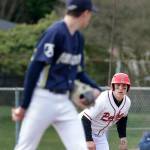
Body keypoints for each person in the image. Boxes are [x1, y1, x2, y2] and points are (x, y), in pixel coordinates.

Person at [11, 0, 102, 149]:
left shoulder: (78, 39)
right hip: (42, 99)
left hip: (64, 101)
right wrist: (24, 105)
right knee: (25, 147)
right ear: (85, 13)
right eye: (90, 13)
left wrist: (97, 88)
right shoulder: (55, 33)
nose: (90, 17)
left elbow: (79, 72)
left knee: (80, 146)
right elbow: (33, 71)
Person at [80, 72, 131, 150]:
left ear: (128, 88)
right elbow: (85, 118)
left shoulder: (127, 102)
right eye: (118, 85)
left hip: (100, 134)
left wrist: (123, 140)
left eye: (124, 85)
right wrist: (89, 140)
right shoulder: (103, 99)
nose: (121, 88)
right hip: (82, 130)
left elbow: (122, 119)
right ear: (112, 86)